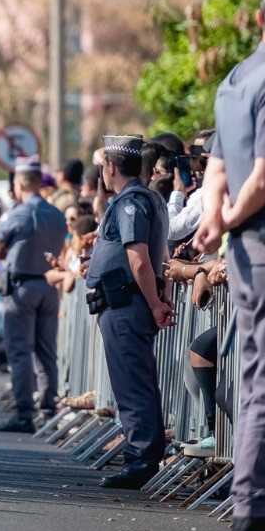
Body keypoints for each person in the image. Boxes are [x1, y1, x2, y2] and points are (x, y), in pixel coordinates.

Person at [195, 0, 265, 531]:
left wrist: (216, 221)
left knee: (257, 381)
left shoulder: (234, 78)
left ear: (258, 18)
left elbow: (218, 172)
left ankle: (250, 514)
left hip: (246, 251)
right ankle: (251, 524)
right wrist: (228, 219)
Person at [88, 134, 172, 490]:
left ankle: (141, 460)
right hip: (125, 303)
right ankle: (145, 453)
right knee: (138, 382)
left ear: (110, 167)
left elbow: (139, 259)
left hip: (127, 304)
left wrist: (154, 303)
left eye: (103, 167)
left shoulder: (130, 203)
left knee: (132, 385)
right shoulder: (138, 198)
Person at [0, 157, 66, 432]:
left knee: (19, 353)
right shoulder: (56, 214)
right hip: (48, 287)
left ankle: (24, 414)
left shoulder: (16, 215)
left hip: (20, 290)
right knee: (46, 352)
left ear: (18, 183)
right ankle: (49, 410)